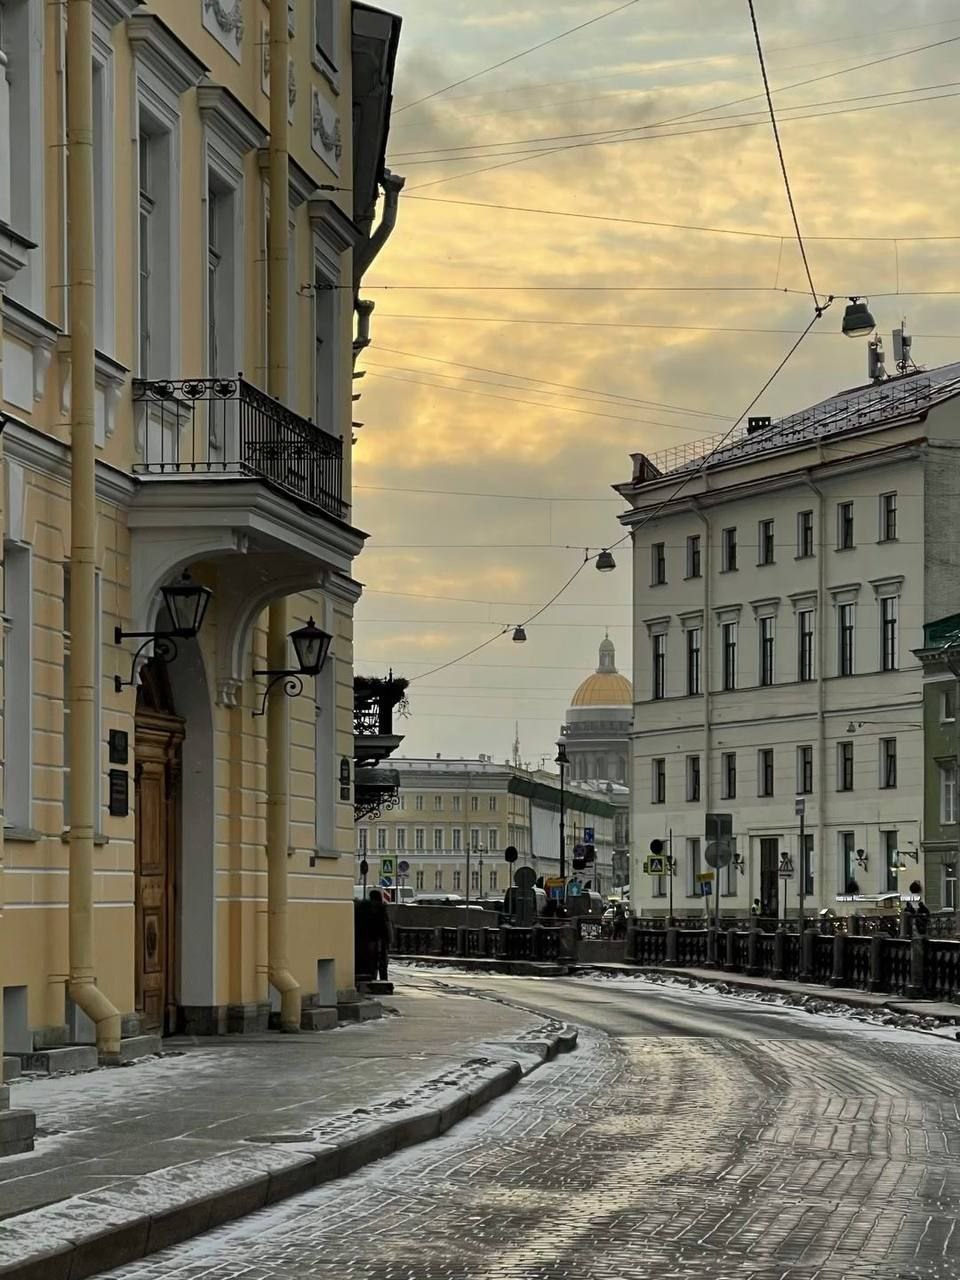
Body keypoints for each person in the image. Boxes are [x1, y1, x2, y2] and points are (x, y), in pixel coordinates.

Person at [366, 888, 392, 981]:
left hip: (371, 938)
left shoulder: (368, 909)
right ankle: (383, 981)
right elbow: (387, 925)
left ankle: (372, 978)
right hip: (382, 938)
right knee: (383, 963)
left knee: (372, 962)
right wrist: (390, 939)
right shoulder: (383, 909)